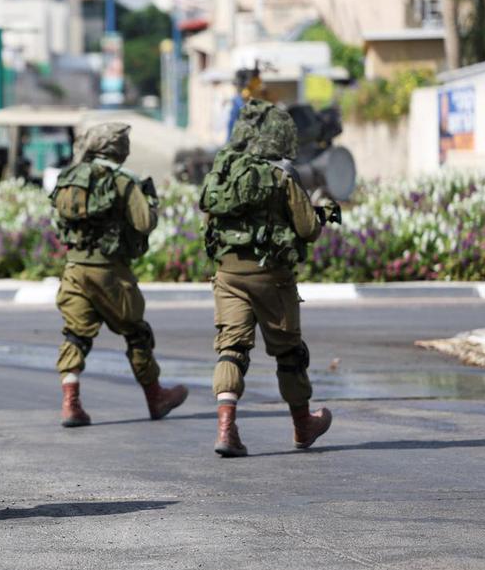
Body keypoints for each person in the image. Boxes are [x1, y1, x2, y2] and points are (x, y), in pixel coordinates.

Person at [200, 100, 337, 457]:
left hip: (227, 275)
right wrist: (324, 214)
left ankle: (226, 429)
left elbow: (208, 221)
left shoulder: (223, 170)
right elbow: (307, 229)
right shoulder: (281, 174)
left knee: (232, 350)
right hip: (271, 278)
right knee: (289, 352)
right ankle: (302, 425)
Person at [50, 121, 189, 427]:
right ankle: (156, 396)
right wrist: (150, 204)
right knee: (136, 333)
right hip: (111, 272)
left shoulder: (69, 177)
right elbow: (143, 223)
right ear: (117, 148)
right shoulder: (123, 180)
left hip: (74, 269)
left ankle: (70, 402)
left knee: (76, 333)